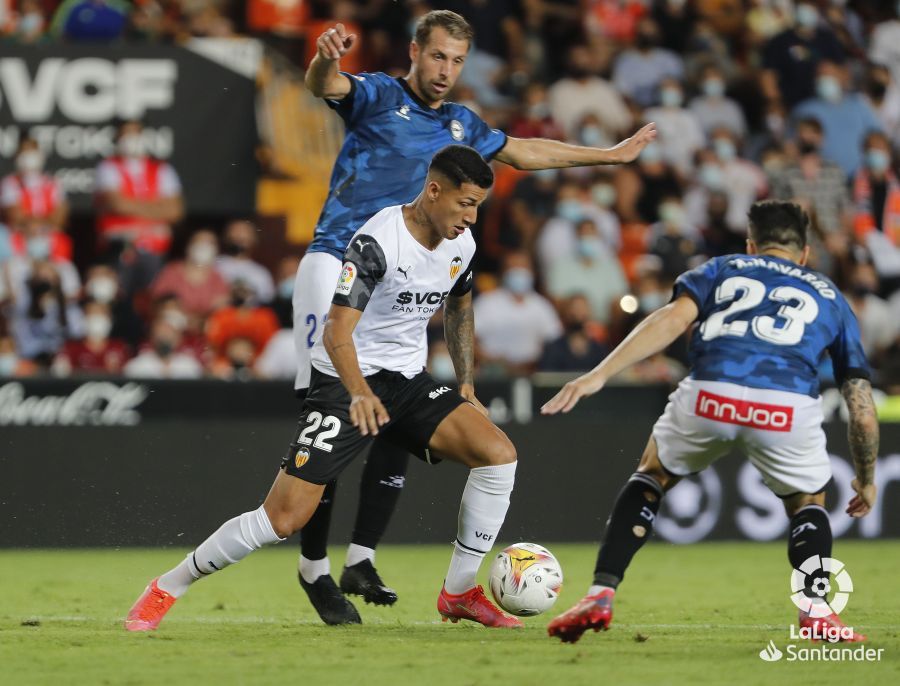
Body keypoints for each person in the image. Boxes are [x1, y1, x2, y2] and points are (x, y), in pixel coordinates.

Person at [293, 8, 657, 624]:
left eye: (457, 61)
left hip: (404, 278)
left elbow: (526, 151)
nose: (445, 71)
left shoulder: (461, 124)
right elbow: (324, 85)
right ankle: (315, 570)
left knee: (396, 402)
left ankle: (360, 555)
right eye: (437, 57)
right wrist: (328, 55)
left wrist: (609, 157)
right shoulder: (380, 94)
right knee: (331, 412)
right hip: (338, 263)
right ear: (415, 51)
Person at [125, 145, 523, 632]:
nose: (472, 217)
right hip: (344, 379)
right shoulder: (378, 241)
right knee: (282, 519)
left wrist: (465, 382)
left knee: (499, 455)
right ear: (433, 190)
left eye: (478, 205)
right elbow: (336, 333)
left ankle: (459, 593)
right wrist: (359, 393)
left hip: (407, 382)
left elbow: (460, 306)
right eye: (466, 203)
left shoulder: (461, 245)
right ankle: (169, 585)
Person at [541, 200, 878, 644]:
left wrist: (600, 373)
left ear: (752, 245)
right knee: (807, 502)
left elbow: (672, 319)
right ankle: (816, 611)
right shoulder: (830, 295)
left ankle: (601, 592)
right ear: (804, 253)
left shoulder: (721, 268)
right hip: (785, 406)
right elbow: (861, 407)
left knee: (651, 475)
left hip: (710, 394)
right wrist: (866, 478)